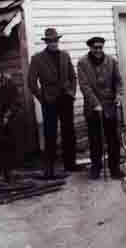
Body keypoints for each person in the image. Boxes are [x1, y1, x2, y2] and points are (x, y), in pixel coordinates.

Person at [28, 28, 84, 179]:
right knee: (50, 134)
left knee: (69, 131)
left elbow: (73, 77)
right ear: (46, 42)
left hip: (65, 99)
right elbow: (31, 83)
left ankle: (70, 164)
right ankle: (49, 169)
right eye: (50, 41)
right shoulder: (37, 59)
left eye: (55, 40)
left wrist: (71, 93)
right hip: (49, 101)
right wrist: (43, 98)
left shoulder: (65, 56)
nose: (53, 43)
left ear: (58, 41)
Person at [77, 36, 123, 180]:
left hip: (110, 106)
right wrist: (95, 103)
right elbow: (84, 86)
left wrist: (119, 94)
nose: (98, 50)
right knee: (95, 139)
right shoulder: (82, 63)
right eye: (95, 48)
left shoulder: (111, 61)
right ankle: (95, 168)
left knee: (113, 139)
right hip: (92, 107)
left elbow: (118, 81)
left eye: (100, 47)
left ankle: (114, 168)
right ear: (90, 48)